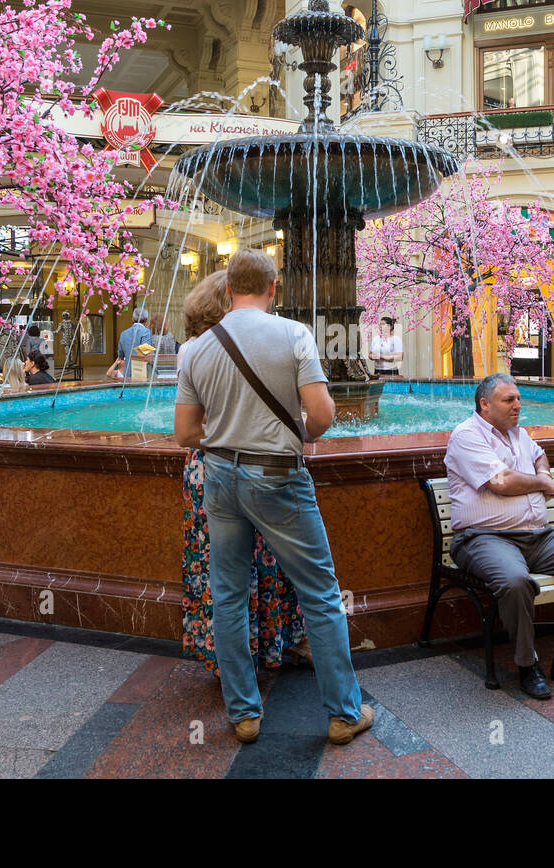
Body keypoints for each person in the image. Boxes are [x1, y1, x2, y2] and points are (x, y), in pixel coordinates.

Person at [174, 249, 371, 746]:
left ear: (227, 289)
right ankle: (344, 714)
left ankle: (244, 714)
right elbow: (323, 417)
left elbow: (184, 433)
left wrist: (226, 436)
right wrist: (294, 432)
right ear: (273, 287)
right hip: (279, 477)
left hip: (219, 476)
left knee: (229, 595)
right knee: (322, 594)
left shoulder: (195, 349)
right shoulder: (293, 335)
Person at [445, 373, 554, 698]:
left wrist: (542, 471)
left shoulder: (518, 434)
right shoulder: (466, 435)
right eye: (508, 400)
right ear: (485, 405)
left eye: (518, 399)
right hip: (484, 538)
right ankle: (527, 663)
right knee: (515, 582)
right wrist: (543, 484)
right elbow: (500, 482)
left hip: (538, 536)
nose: (517, 405)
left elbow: (539, 454)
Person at [176, 270, 312, 680]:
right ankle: (278, 641)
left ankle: (235, 669)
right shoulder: (249, 342)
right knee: (269, 562)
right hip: (250, 463)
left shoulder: (194, 349)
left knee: (223, 574)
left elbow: (185, 431)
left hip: (210, 468)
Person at [114, 307, 154, 376]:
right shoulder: (146, 332)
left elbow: (120, 354)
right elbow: (147, 353)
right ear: (146, 320)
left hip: (127, 372)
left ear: (132, 319)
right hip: (142, 372)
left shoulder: (123, 334)